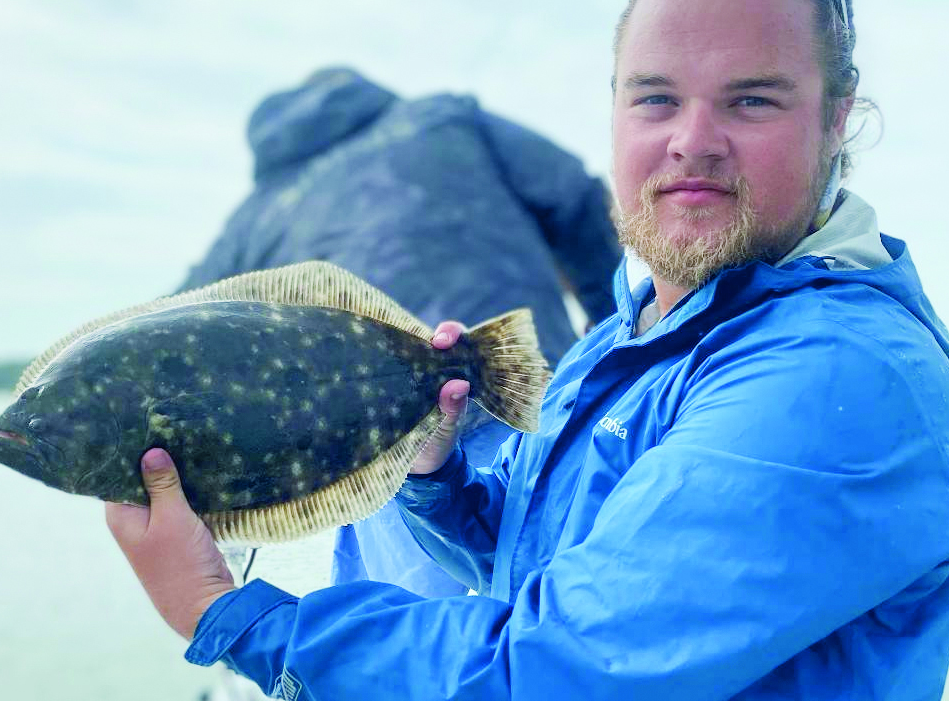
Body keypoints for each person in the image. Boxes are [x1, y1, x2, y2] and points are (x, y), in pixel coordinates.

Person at [106, 0, 949, 699]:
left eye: (752, 100)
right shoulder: (637, 333)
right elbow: (549, 562)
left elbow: (551, 670)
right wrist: (436, 481)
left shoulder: (834, 373)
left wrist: (222, 612)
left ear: (838, 122)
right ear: (613, 110)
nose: (691, 141)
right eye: (655, 97)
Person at [174, 66, 623, 597]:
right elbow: (572, 194)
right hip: (533, 386)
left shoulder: (256, 217)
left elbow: (171, 336)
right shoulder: (447, 118)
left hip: (388, 455)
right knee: (589, 599)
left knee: (428, 641)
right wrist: (613, 324)